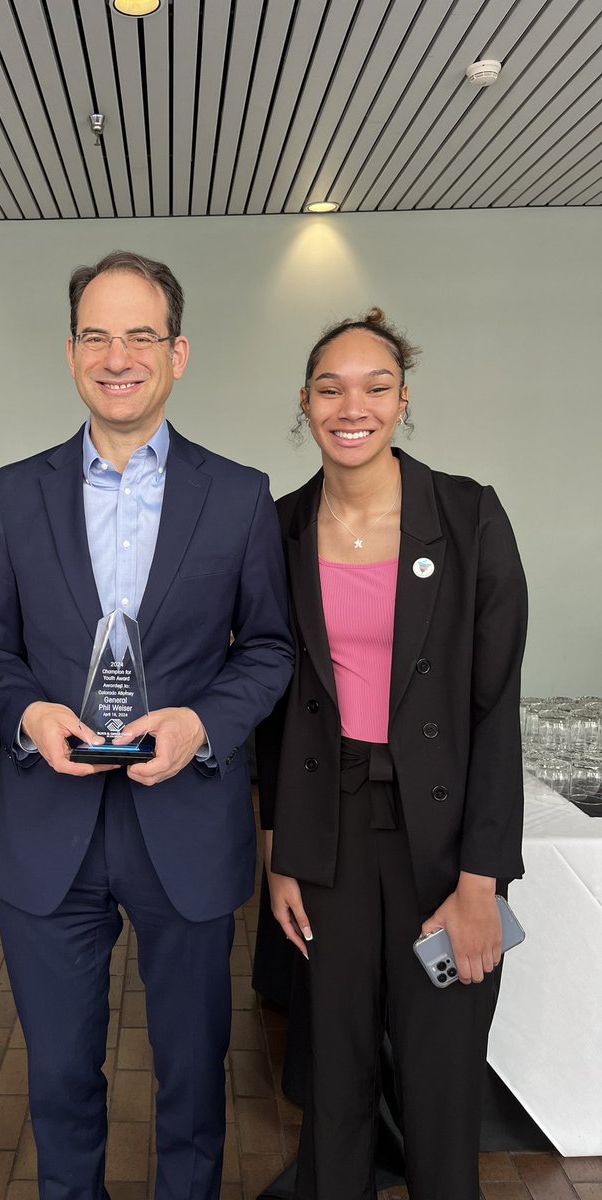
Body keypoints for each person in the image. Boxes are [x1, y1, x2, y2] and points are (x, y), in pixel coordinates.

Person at [0, 250, 294, 1200]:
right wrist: (30, 713)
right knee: (62, 1075)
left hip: (184, 820)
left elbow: (269, 648)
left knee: (194, 1074)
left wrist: (202, 723)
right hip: (47, 825)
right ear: (71, 352)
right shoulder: (11, 492)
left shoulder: (237, 495)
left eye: (141, 335)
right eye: (98, 335)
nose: (119, 355)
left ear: (178, 352)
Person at [257, 309, 528, 1200]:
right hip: (326, 838)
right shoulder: (281, 528)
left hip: (442, 845)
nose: (353, 405)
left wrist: (481, 880)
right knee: (333, 1076)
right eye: (330, 387)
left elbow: (495, 708)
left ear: (403, 401)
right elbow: (273, 705)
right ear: (305, 402)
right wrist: (278, 852)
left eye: (376, 386)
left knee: (441, 1077)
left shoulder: (469, 515)